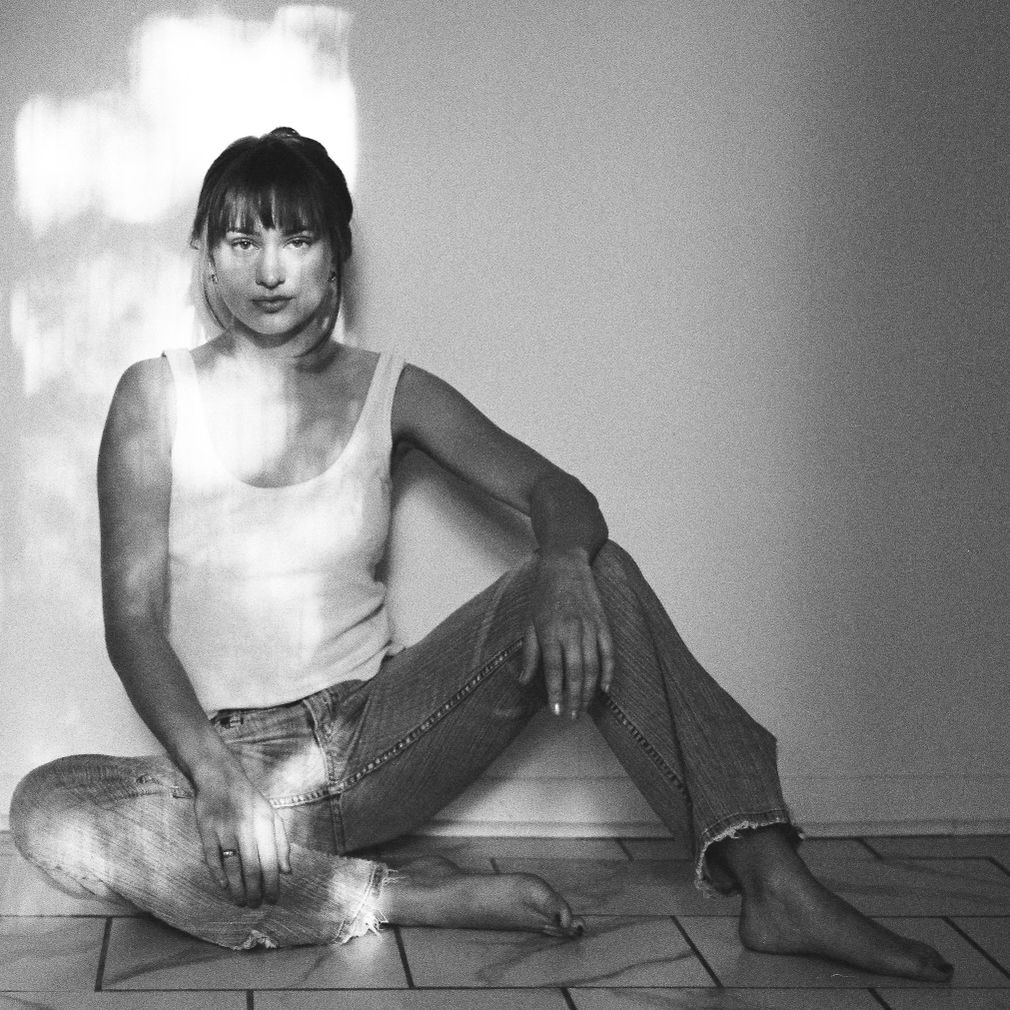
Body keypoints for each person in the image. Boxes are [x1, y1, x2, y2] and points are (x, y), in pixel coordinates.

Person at [11, 127, 951, 981]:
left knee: (596, 571)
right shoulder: (154, 396)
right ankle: (398, 899)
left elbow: (559, 494)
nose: (269, 270)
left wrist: (562, 570)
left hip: (369, 738)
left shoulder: (391, 389)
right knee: (48, 809)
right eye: (241, 240)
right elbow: (132, 621)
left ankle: (775, 883)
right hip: (221, 763)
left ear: (335, 256)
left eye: (297, 239)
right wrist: (215, 775)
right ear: (205, 256)